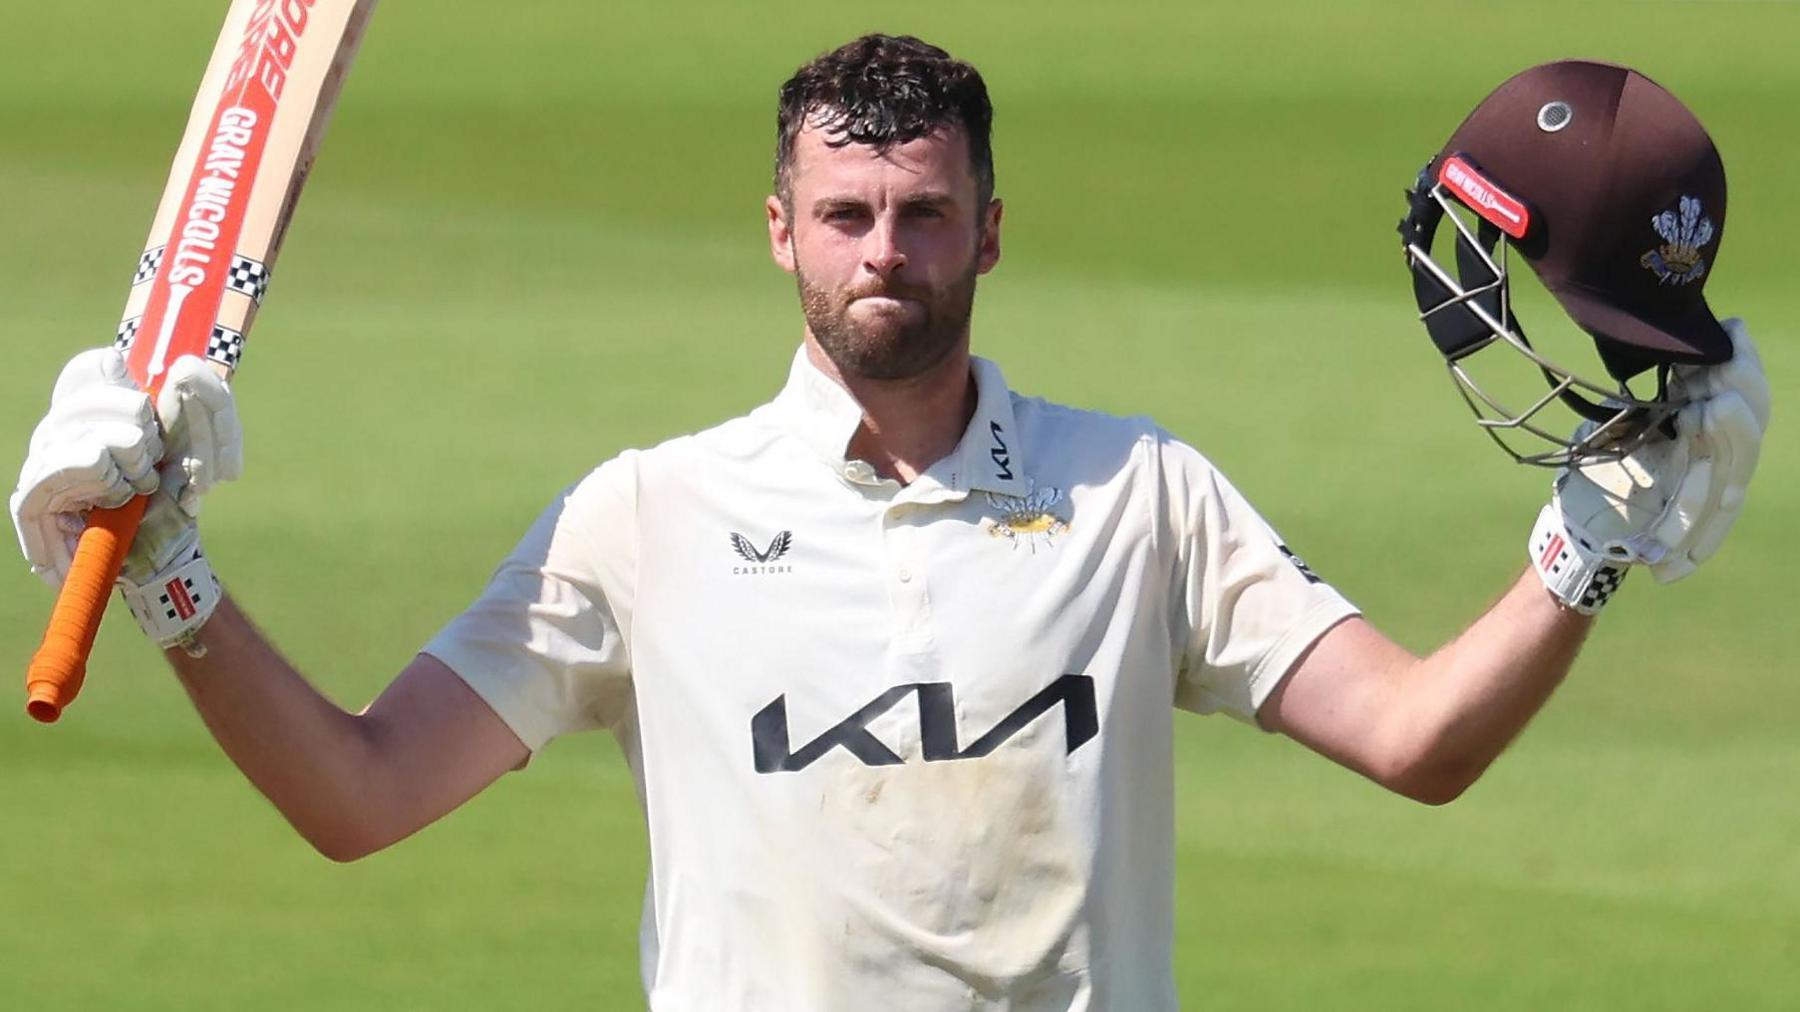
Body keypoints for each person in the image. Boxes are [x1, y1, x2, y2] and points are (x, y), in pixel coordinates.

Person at [10, 36, 1769, 1011]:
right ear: (778, 232)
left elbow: (1416, 740)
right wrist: (172, 579)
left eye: (924, 215)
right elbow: (359, 796)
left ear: (991, 232)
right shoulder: (645, 519)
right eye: (845, 213)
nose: (884, 252)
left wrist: (1583, 549)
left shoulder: (1141, 494)